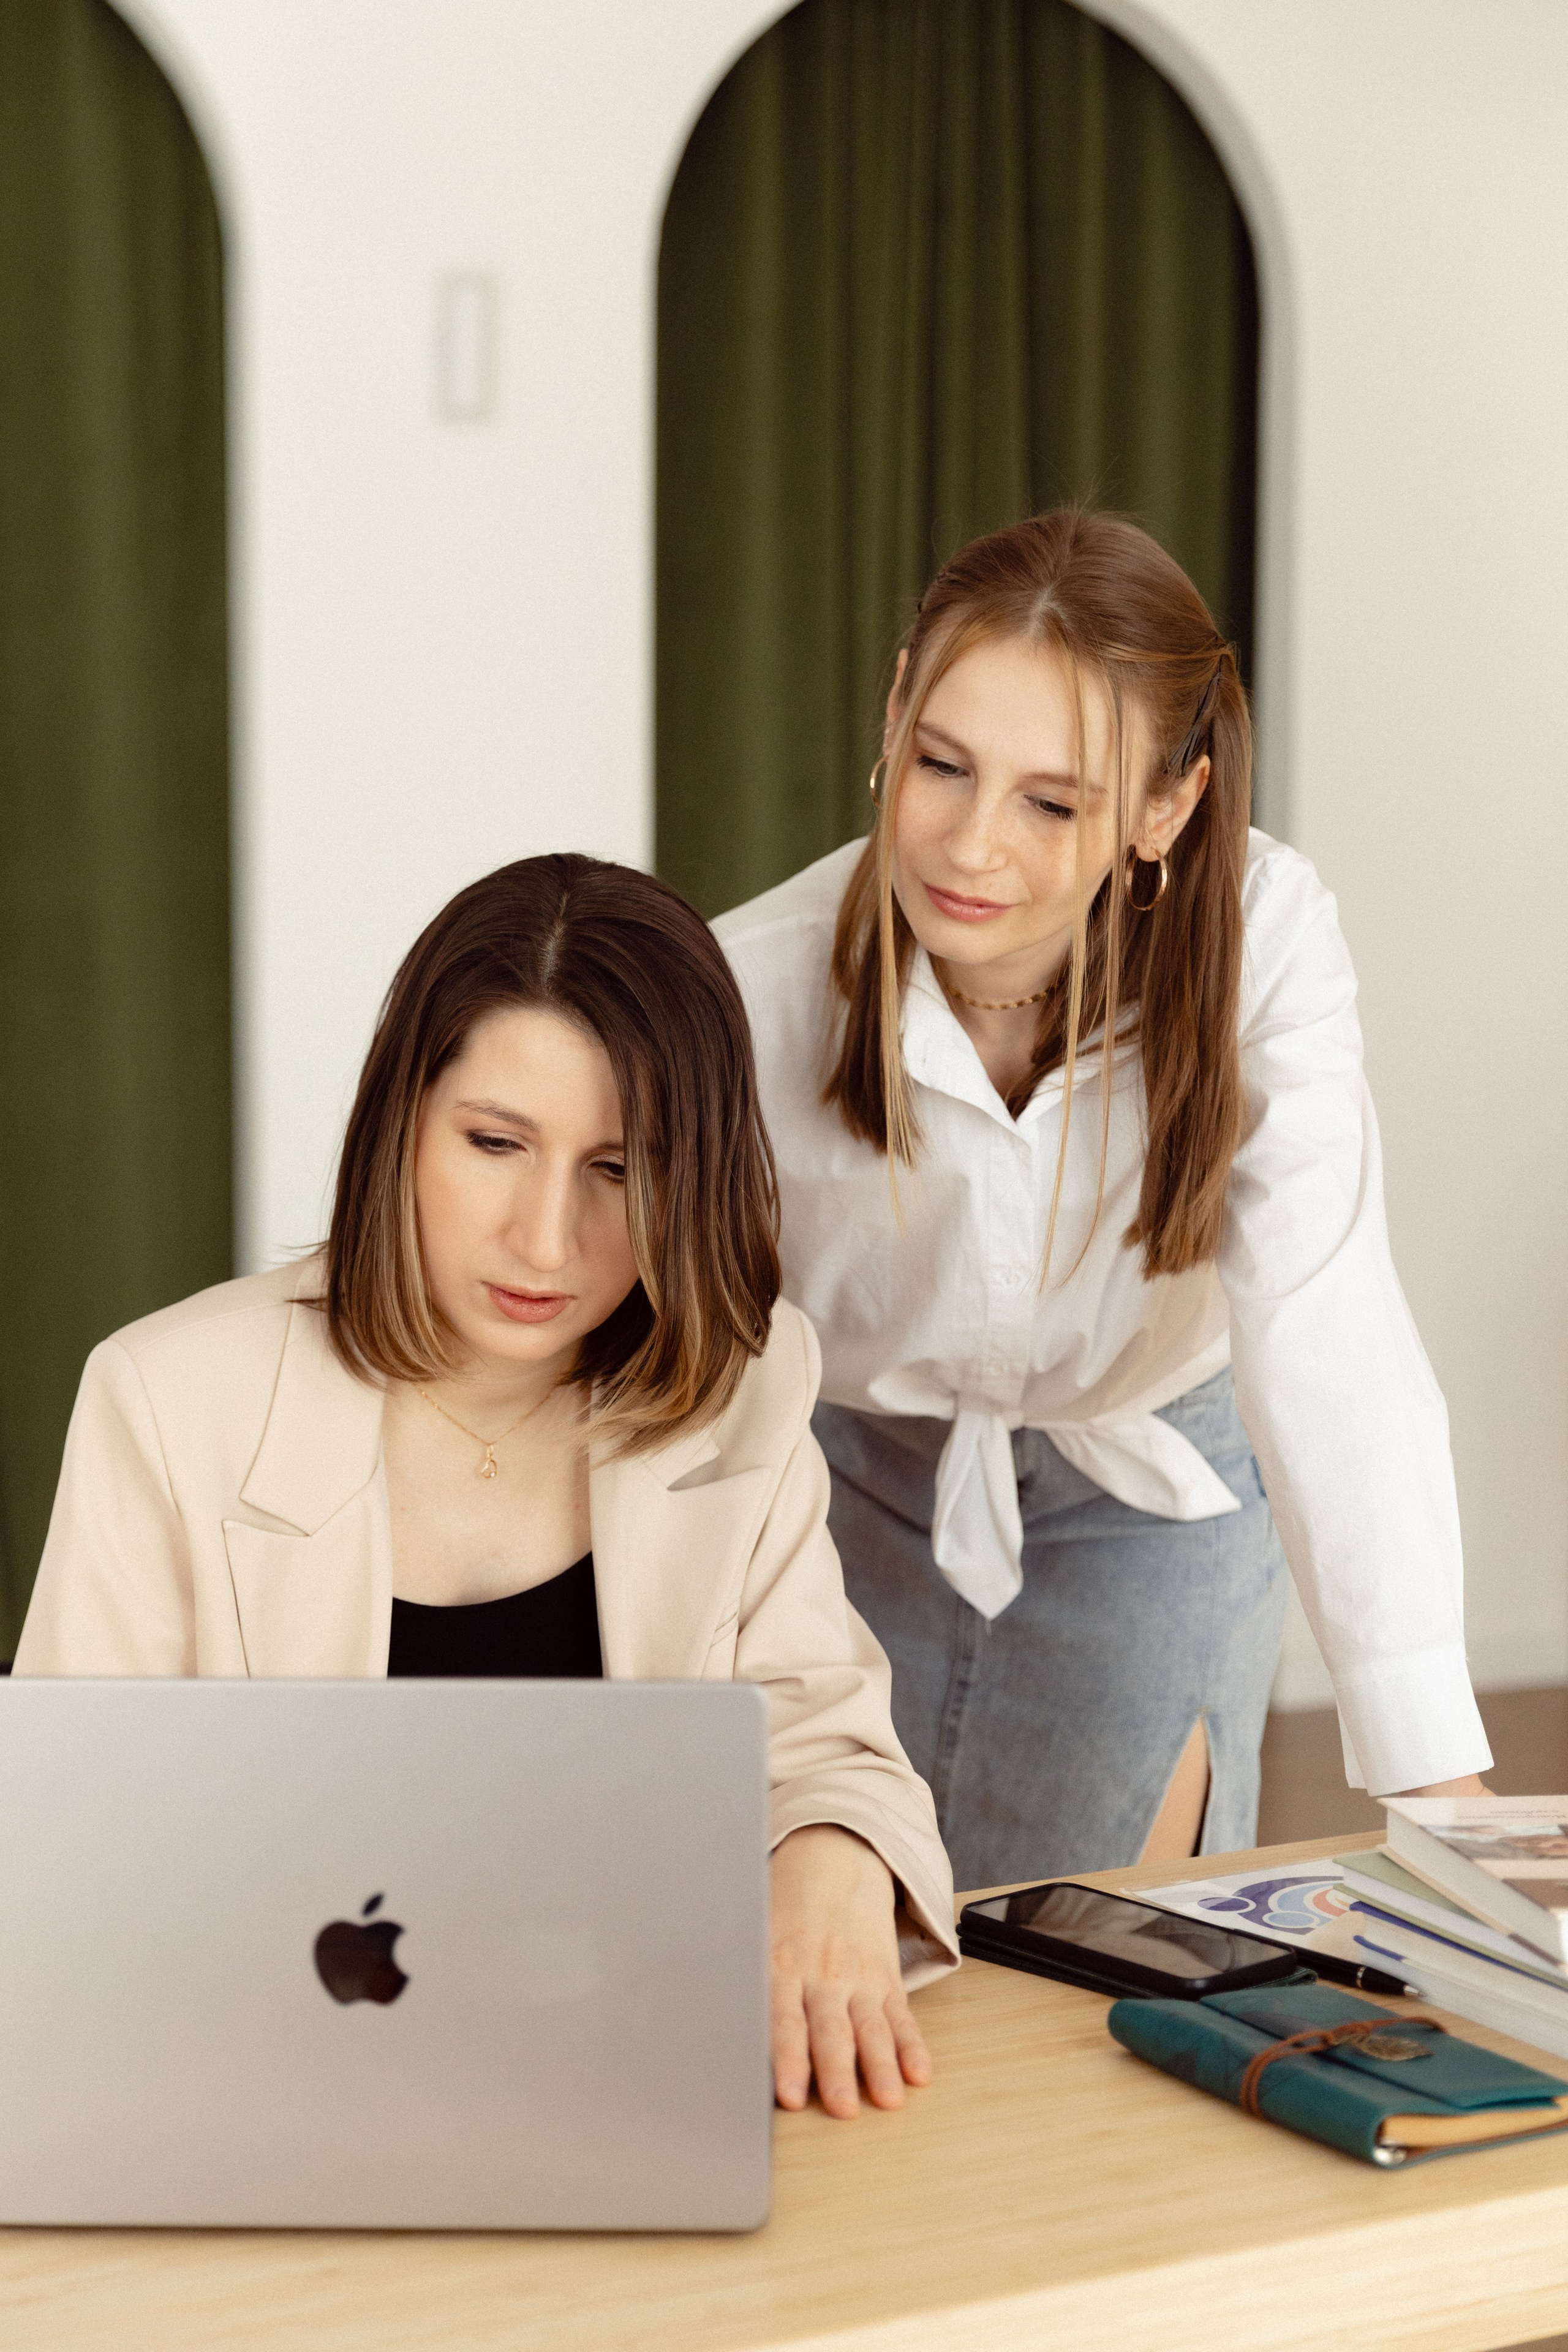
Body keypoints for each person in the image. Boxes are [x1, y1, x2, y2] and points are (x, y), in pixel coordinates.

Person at [17, 854, 957, 2119]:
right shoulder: (165, 1399)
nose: (543, 1239)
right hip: (264, 2099)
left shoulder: (744, 1384)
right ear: (399, 1121)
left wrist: (833, 1849)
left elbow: (826, 1743)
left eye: (617, 1170)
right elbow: (66, 1861)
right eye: (495, 1143)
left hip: (621, 2083)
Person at [715, 508, 1491, 1894]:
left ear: (1164, 806)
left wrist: (1437, 1782)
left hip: (1152, 1497)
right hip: (839, 1496)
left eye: (1050, 801)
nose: (969, 844)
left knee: (1100, 1966)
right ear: (893, 706)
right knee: (842, 1964)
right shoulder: (749, 990)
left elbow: (1329, 1333)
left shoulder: (1263, 946)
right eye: (942, 764)